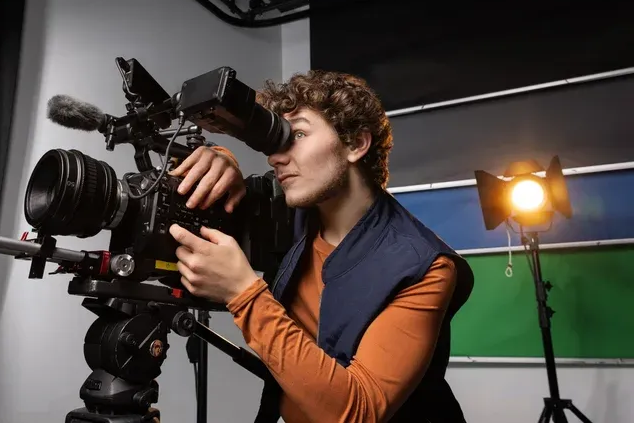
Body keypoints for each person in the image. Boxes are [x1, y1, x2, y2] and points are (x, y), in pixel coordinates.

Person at [166, 70, 474, 423]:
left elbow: (358, 411)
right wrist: (220, 158)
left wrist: (244, 294)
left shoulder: (423, 266)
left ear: (357, 144)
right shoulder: (292, 212)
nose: (275, 157)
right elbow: (224, 194)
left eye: (297, 134)